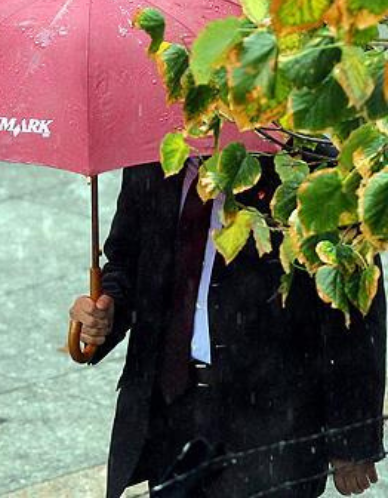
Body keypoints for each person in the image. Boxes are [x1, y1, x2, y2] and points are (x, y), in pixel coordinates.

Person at [70, 157, 385, 498]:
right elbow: (127, 261)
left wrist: (352, 438)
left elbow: (354, 310)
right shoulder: (153, 160)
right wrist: (105, 311)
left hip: (271, 424)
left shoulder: (303, 164)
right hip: (175, 413)